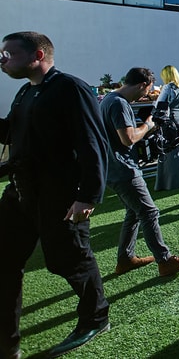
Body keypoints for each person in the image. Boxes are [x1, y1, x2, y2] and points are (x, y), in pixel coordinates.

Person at [0, 32, 110, 358]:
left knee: (70, 260)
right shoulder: (25, 92)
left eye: (8, 53)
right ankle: (7, 342)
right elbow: (12, 132)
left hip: (59, 196)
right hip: (20, 193)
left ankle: (96, 317)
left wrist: (88, 196)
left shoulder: (70, 88)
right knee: (3, 262)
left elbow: (94, 144)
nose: (2, 59)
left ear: (37, 54)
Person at [100, 67, 179, 279]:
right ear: (142, 85)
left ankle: (125, 259)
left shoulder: (108, 100)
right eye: (146, 91)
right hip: (123, 168)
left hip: (113, 167)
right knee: (149, 212)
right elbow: (129, 138)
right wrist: (148, 125)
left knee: (134, 213)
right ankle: (165, 261)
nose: (145, 95)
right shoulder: (118, 104)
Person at [154, 65, 179, 191]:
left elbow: (160, 103)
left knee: (169, 147)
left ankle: (170, 180)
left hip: (171, 120)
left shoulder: (167, 88)